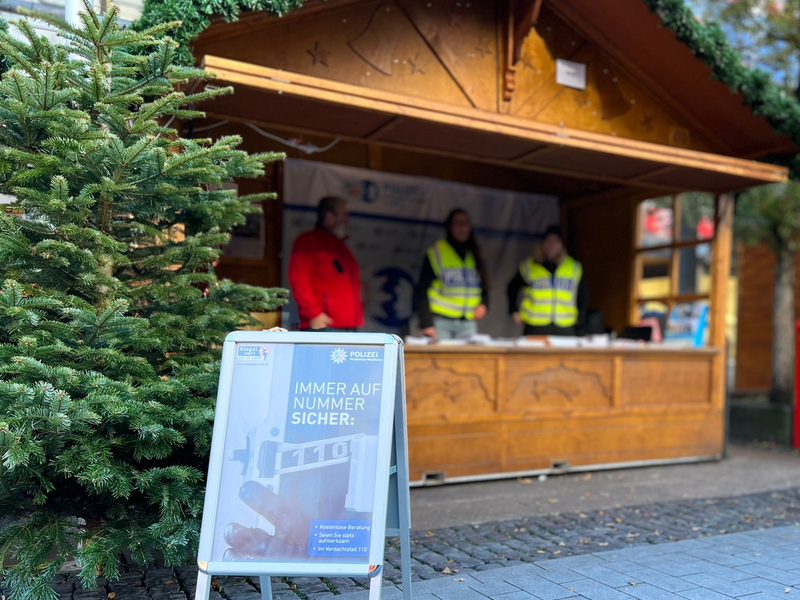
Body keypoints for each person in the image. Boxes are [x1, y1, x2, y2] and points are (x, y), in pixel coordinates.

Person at [288, 196, 363, 331]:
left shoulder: (342, 247)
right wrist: (313, 314)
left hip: (347, 325)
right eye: (344, 215)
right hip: (323, 325)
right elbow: (298, 280)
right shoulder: (308, 241)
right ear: (329, 216)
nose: (348, 219)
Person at [415, 209, 489, 339]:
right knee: (440, 359)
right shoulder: (437, 252)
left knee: (466, 359)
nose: (462, 228)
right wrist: (426, 322)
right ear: (450, 226)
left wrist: (484, 304)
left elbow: (484, 285)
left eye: (465, 223)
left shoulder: (475, 252)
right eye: (458, 223)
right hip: (441, 320)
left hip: (467, 321)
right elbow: (422, 289)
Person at [507, 224, 588, 336]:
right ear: (542, 243)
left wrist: (580, 319)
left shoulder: (573, 267)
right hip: (535, 325)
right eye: (548, 240)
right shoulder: (530, 266)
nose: (551, 245)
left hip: (565, 325)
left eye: (556, 241)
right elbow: (512, 288)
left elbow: (583, 295)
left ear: (561, 244)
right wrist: (514, 311)